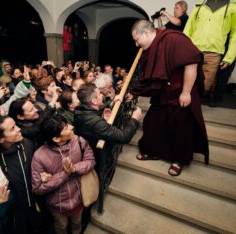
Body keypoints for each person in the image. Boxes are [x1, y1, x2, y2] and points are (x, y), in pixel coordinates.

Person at [131, 20, 209, 176]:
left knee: (181, 128)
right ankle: (153, 152)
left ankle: (178, 160)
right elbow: (149, 75)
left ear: (146, 33)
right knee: (153, 123)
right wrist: (133, 92)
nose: (136, 44)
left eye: (136, 39)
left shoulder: (175, 38)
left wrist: (186, 92)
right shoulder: (150, 47)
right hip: (162, 92)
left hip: (180, 91)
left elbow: (191, 64)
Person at [0, 115, 46, 234]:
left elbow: (37, 167)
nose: (19, 129)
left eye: (16, 125)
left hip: (36, 203)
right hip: (14, 213)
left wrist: (42, 174)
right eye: (12, 128)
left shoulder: (27, 144)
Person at [31, 113, 95, 234]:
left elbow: (91, 161)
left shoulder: (79, 141)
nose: (71, 127)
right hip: (57, 205)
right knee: (61, 227)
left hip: (79, 196)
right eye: (65, 127)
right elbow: (38, 188)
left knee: (77, 224)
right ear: (56, 138)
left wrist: (73, 168)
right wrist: (64, 174)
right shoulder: (39, 156)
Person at [183, 0, 236, 96]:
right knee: (187, 82)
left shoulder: (232, 7)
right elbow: (188, 27)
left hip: (214, 54)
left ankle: (193, 102)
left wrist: (229, 58)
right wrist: (182, 48)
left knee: (205, 86)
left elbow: (235, 34)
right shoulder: (200, 5)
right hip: (194, 50)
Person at [74, 83, 142, 155]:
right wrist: (135, 119)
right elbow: (124, 137)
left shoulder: (81, 109)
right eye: (99, 94)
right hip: (96, 155)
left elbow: (94, 110)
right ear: (94, 101)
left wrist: (112, 103)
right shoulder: (95, 122)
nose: (102, 95)